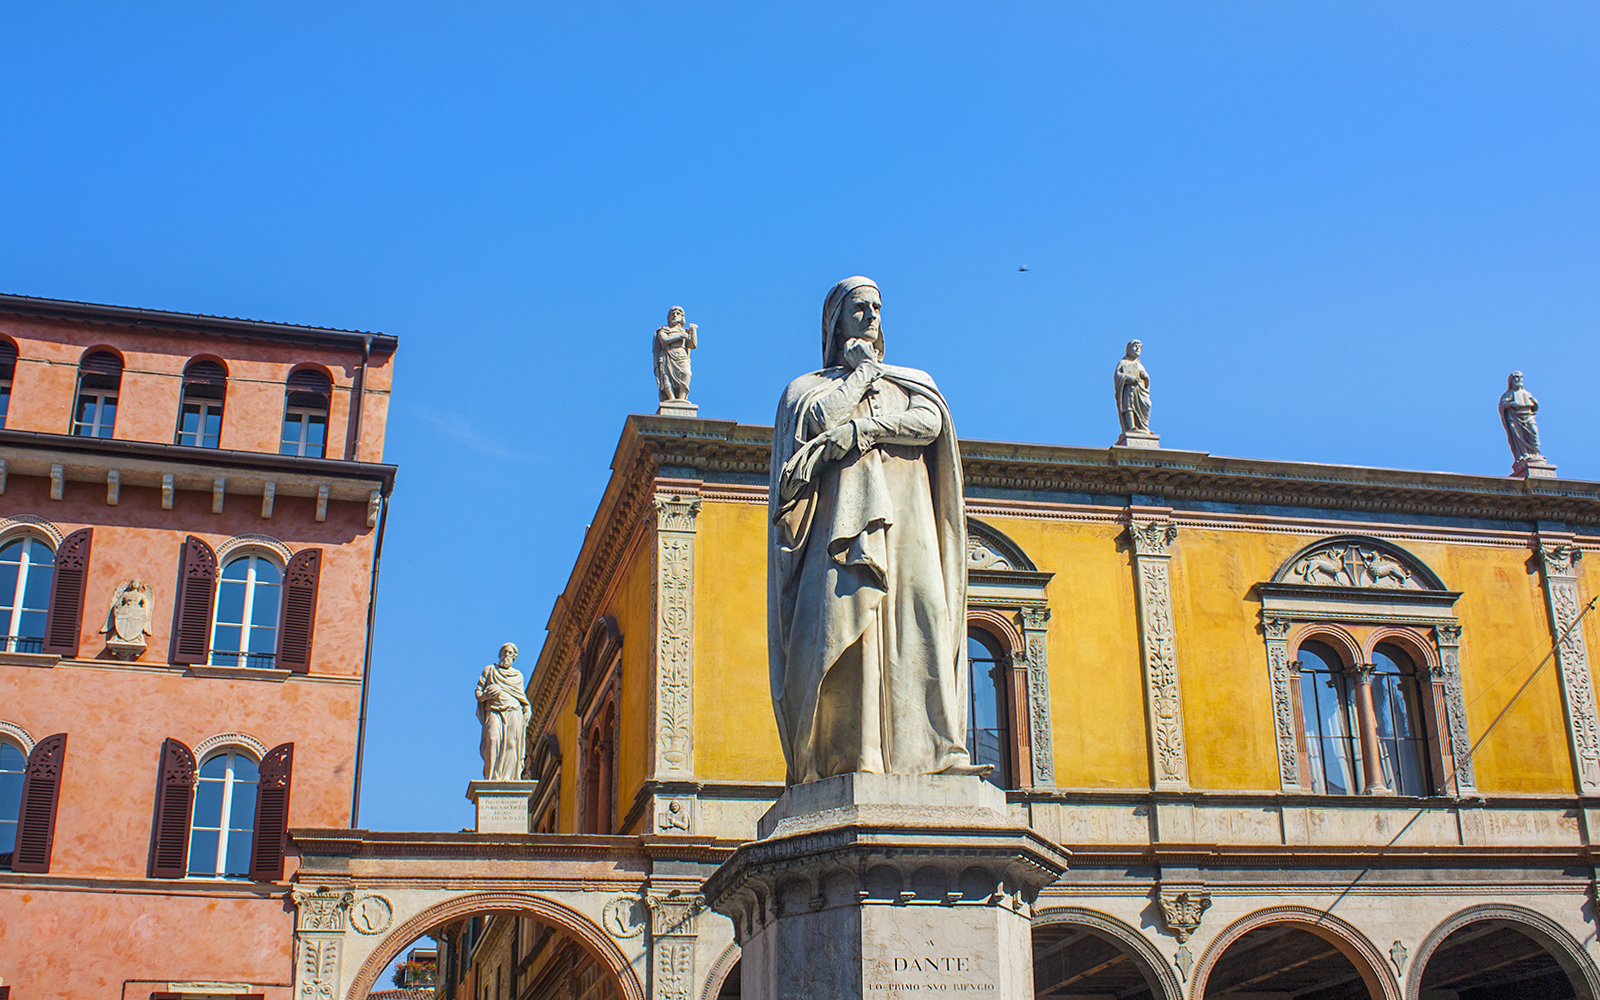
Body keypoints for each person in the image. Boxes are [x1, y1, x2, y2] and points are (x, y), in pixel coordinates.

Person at [767, 276, 986, 785]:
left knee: (925, 623)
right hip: (841, 537)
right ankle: (856, 756)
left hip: (910, 529)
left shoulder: (911, 381)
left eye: (877, 308)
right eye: (859, 308)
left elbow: (928, 422)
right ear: (835, 321)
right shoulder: (807, 389)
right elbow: (820, 419)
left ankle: (937, 751)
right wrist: (861, 376)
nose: (870, 317)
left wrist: (864, 431)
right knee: (853, 634)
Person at [475, 642, 531, 781]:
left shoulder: (518, 676)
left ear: (514, 657)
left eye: (510, 653)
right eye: (504, 652)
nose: (507, 655)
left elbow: (521, 697)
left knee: (511, 743)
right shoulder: (489, 671)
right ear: (499, 654)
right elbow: (478, 692)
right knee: (492, 739)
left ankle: (508, 777)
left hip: (513, 711)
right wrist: (486, 696)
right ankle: (492, 776)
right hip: (494, 711)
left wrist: (527, 709)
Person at [1499, 371, 1544, 464]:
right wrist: (1510, 404)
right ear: (1511, 381)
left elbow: (1535, 408)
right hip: (1516, 418)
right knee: (1519, 436)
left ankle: (1535, 454)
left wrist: (1535, 403)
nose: (1519, 380)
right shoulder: (1508, 394)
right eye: (1516, 377)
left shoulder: (1527, 393)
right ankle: (1524, 455)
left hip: (1528, 416)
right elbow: (1502, 406)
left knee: (1533, 432)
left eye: (1520, 377)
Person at [653, 307, 697, 403]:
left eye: (678, 314)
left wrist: (693, 331)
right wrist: (680, 335)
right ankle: (671, 399)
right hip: (668, 354)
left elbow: (692, 345)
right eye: (672, 314)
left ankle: (682, 399)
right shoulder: (663, 330)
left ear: (682, 318)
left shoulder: (685, 332)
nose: (675, 316)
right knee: (666, 377)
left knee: (687, 373)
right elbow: (664, 341)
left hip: (681, 355)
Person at [1114, 339, 1151, 434]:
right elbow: (1118, 376)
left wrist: (1146, 378)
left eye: (1139, 346)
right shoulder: (1123, 363)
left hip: (1140, 390)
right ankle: (1131, 427)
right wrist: (1127, 378)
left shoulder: (1140, 365)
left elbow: (1146, 380)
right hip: (1129, 390)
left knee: (1147, 405)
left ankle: (1143, 427)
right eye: (1135, 346)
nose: (1137, 348)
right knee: (1129, 406)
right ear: (1129, 349)